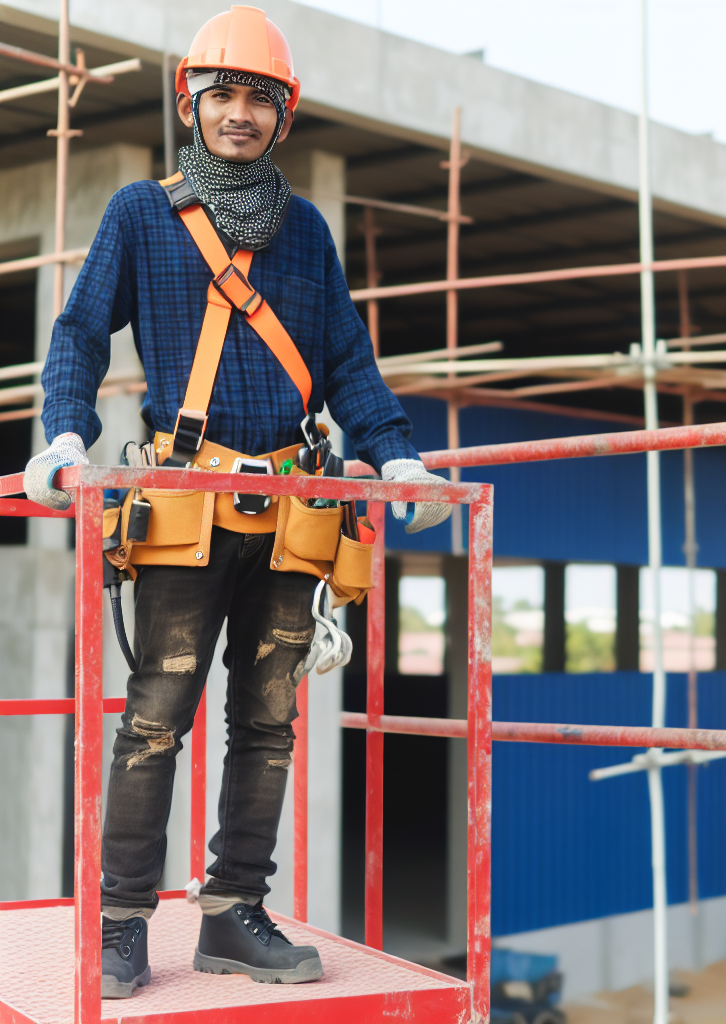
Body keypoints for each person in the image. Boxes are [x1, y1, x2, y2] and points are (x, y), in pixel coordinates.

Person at [23, 5, 451, 998]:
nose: (241, 112)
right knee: (156, 714)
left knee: (266, 723)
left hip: (291, 509)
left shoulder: (302, 232)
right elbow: (82, 331)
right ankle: (123, 920)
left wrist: (397, 460)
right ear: (192, 102)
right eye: (224, 93)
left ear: (283, 117)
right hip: (183, 501)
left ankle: (231, 915)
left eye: (261, 97)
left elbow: (346, 357)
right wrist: (64, 433)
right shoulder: (141, 213)